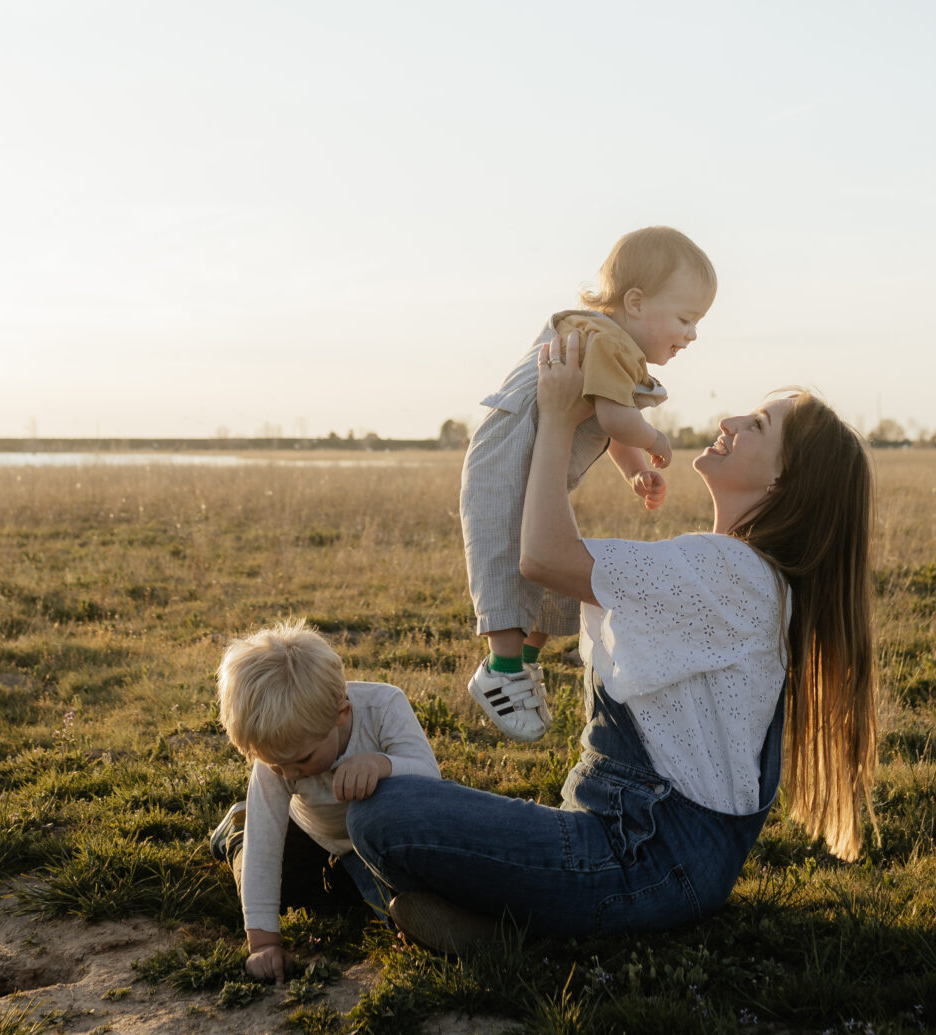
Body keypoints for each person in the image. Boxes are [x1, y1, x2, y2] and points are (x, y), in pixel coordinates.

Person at [353, 327, 877, 949]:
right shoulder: (743, 576)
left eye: (760, 425)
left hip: (642, 860)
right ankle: (483, 922)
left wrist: (556, 418)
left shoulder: (729, 572)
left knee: (381, 815)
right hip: (645, 854)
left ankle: (498, 925)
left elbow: (546, 557)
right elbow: (558, 562)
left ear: (784, 484)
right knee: (378, 814)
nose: (730, 418)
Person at [459, 226, 717, 743]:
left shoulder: (611, 348)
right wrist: (652, 437)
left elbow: (605, 423)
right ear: (637, 302)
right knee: (508, 557)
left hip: (536, 466)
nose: (691, 334)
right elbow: (618, 419)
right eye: (685, 319)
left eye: (698, 323)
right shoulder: (601, 339)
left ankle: (524, 660)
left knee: (549, 563)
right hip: (505, 466)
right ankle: (502, 670)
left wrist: (635, 469)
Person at [209, 622, 442, 979]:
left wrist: (381, 764)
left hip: (370, 838)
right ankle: (235, 833)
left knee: (391, 903)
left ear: (341, 714)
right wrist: (263, 944)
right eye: (275, 763)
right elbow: (265, 848)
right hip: (306, 828)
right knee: (284, 889)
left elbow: (431, 777)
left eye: (301, 760)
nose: (288, 774)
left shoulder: (383, 707)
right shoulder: (278, 764)